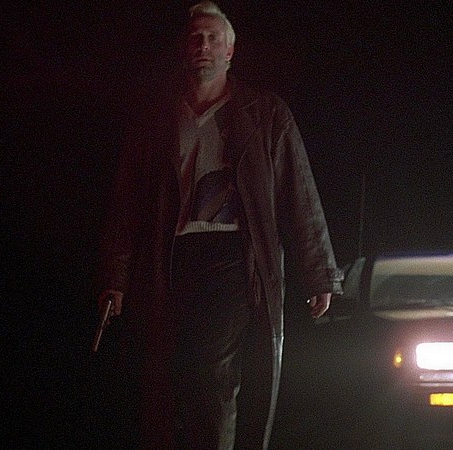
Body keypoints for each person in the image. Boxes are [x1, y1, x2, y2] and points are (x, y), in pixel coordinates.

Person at [95, 1, 343, 448]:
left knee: (211, 374)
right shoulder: (158, 116)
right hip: (170, 258)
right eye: (195, 38)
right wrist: (115, 276)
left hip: (231, 257)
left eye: (213, 38)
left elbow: (299, 193)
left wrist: (319, 274)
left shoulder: (265, 113)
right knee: (167, 379)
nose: (203, 46)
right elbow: (127, 200)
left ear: (230, 51)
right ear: (183, 49)